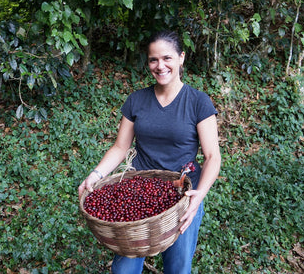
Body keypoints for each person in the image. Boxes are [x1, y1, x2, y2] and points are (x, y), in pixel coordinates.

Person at [78, 30, 221, 274]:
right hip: (138, 191)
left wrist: (198, 197)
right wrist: (95, 174)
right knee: (123, 270)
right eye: (153, 60)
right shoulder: (137, 100)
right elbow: (120, 147)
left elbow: (212, 157)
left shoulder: (198, 102)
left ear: (181, 58)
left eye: (167, 58)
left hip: (181, 197)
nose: (160, 65)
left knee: (177, 269)